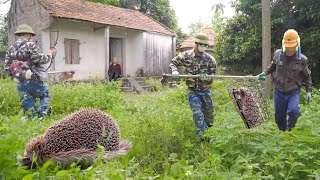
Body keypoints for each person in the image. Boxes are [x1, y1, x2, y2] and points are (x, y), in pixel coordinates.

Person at [257, 29, 312, 131]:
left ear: (297, 45)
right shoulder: (278, 54)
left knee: (293, 111)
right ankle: (283, 132)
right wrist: (265, 73)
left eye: (292, 47)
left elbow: (307, 77)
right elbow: (273, 66)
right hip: (279, 91)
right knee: (279, 117)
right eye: (287, 47)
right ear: (283, 44)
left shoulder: (302, 60)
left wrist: (309, 91)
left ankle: (290, 129)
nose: (289, 50)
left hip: (293, 91)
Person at [169, 33, 217, 138]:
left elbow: (212, 76)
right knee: (197, 113)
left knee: (209, 115)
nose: (204, 47)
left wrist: (207, 78)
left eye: (206, 45)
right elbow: (173, 62)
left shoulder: (210, 60)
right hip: (193, 90)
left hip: (205, 90)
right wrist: (175, 71)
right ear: (196, 44)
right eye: (202, 44)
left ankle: (209, 130)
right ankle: (203, 137)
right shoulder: (186, 56)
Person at [4, 24, 57, 120]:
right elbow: (40, 60)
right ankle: (42, 116)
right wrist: (50, 54)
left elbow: (7, 68)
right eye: (31, 36)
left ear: (19, 34)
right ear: (28, 34)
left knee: (27, 102)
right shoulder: (31, 45)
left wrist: (17, 76)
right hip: (33, 79)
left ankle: (31, 119)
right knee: (45, 95)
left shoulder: (11, 48)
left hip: (20, 82)